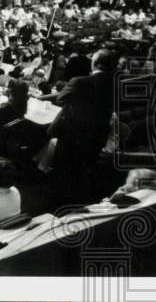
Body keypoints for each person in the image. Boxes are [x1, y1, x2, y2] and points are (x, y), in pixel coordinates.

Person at [40, 49, 119, 204]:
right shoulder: (116, 84)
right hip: (97, 135)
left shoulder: (80, 81)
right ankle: (76, 200)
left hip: (72, 135)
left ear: (95, 63)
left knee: (63, 168)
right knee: (83, 168)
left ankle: (57, 201)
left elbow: (62, 98)